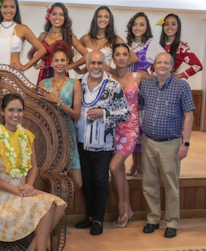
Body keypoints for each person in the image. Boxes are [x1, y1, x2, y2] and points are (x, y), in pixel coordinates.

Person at [0, 93, 67, 251]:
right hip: (2, 196)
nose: (16, 114)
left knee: (59, 205)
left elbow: (34, 167)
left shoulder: (26, 136)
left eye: (19, 110)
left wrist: (29, 185)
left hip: (23, 191)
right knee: (48, 205)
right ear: (3, 112)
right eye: (11, 110)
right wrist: (16, 190)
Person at [139, 52, 195, 239]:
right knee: (149, 183)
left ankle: (171, 222)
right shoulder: (146, 85)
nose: (162, 65)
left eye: (166, 62)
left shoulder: (181, 86)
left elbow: (189, 116)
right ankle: (153, 219)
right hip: (148, 141)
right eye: (159, 62)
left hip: (171, 143)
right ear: (153, 66)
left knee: (171, 184)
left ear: (172, 66)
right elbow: (137, 107)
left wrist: (185, 143)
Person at [75, 51, 130, 236]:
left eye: (100, 63)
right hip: (80, 140)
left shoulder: (113, 86)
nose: (96, 66)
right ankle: (89, 217)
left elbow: (125, 113)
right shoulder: (78, 83)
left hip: (102, 144)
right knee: (87, 182)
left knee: (100, 182)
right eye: (93, 63)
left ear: (105, 64)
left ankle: (98, 219)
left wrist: (104, 114)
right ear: (87, 64)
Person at [108, 43, 150, 228]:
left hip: (130, 128)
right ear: (114, 58)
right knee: (118, 170)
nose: (122, 57)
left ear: (129, 57)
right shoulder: (107, 76)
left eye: (125, 54)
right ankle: (127, 208)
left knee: (114, 166)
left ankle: (121, 206)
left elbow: (156, 83)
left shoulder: (138, 76)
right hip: (111, 127)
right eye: (118, 54)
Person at [38, 41, 83, 189]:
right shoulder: (43, 84)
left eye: (63, 60)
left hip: (68, 134)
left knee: (77, 181)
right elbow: (39, 112)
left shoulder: (74, 83)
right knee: (50, 179)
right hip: (49, 135)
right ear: (51, 64)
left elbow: (76, 115)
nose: (60, 63)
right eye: (56, 60)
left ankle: (68, 210)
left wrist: (58, 102)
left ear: (67, 62)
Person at [126, 12, 163, 177]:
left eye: (141, 24)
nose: (138, 27)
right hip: (129, 91)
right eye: (135, 24)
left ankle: (143, 167)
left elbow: (163, 64)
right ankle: (134, 164)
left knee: (142, 130)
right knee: (133, 130)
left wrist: (148, 76)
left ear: (146, 27)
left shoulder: (152, 44)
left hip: (144, 92)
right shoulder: (127, 44)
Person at [27, 2, 88, 84]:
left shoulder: (69, 36)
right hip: (44, 76)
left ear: (65, 17)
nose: (57, 17)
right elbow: (30, 54)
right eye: (54, 14)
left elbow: (87, 56)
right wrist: (35, 65)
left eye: (61, 14)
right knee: (42, 96)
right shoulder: (42, 36)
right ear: (49, 16)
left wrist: (70, 66)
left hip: (61, 76)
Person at [0, 0, 46, 71]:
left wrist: (25, 67)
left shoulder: (22, 28)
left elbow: (42, 50)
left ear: (16, 9)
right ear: (0, 8)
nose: (8, 10)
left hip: (15, 75)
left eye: (12, 7)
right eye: (5, 6)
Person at [71, 6, 138, 72]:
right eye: (99, 16)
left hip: (106, 79)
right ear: (95, 19)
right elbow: (69, 56)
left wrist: (115, 70)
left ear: (110, 20)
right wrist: (79, 71)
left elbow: (134, 58)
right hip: (87, 78)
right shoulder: (85, 38)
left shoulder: (115, 39)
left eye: (106, 17)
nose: (102, 19)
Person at [159, 13, 203, 79]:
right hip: (154, 83)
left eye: (173, 24)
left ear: (178, 26)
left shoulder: (181, 47)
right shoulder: (159, 45)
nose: (169, 27)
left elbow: (198, 66)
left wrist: (177, 76)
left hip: (168, 84)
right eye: (166, 24)